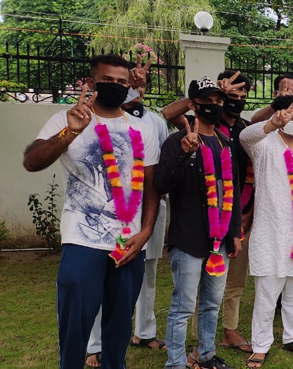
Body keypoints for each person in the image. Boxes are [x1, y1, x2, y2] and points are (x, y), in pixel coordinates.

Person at [23, 54, 160, 369]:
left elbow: (151, 186)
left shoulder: (143, 129)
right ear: (90, 82)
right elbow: (32, 161)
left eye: (121, 82)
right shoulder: (66, 118)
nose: (115, 86)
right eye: (107, 80)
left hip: (128, 243)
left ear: (129, 87)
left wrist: (146, 232)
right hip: (82, 241)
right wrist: (69, 133)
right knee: (75, 323)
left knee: (119, 325)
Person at [162, 70, 256, 356]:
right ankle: (176, 363)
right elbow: (161, 184)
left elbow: (234, 191)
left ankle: (206, 356)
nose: (214, 105)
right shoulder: (178, 141)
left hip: (220, 242)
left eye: (218, 99)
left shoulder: (226, 144)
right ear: (194, 104)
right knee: (183, 307)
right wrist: (184, 154)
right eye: (207, 100)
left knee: (212, 304)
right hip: (188, 240)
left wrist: (235, 235)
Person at [239, 95, 293, 367]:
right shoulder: (264, 145)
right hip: (270, 232)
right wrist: (270, 123)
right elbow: (245, 136)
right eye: (292, 116)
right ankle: (260, 345)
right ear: (279, 116)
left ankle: (292, 337)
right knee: (266, 293)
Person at [84, 84, 170, 367]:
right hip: (103, 215)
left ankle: (144, 332)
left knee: (147, 274)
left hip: (145, 214)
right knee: (99, 281)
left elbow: (155, 174)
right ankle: (95, 346)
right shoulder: (93, 119)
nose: (137, 86)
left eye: (141, 83)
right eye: (128, 81)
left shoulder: (154, 122)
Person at [250, 74, 293, 149]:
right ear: (275, 93)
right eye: (287, 90)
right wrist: (276, 104)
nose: (291, 94)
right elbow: (254, 122)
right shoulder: (267, 114)